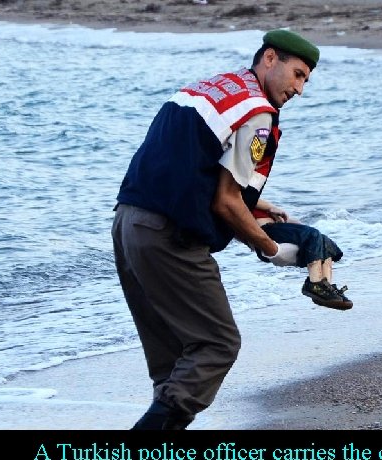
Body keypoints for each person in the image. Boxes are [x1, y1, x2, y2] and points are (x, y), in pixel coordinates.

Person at [111, 29, 322, 430]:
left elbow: (193, 167)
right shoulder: (257, 111)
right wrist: (272, 249)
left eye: (306, 80)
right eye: (297, 74)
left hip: (128, 224)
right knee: (217, 344)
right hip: (168, 237)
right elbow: (225, 202)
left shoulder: (212, 89)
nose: (299, 88)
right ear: (270, 58)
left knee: (174, 364)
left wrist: (263, 207)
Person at [251, 203, 352, 310]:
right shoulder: (246, 198)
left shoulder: (258, 203)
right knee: (313, 234)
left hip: (277, 227)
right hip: (266, 230)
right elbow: (249, 198)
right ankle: (314, 285)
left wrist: (283, 218)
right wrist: (271, 208)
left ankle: (326, 287)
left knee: (324, 240)